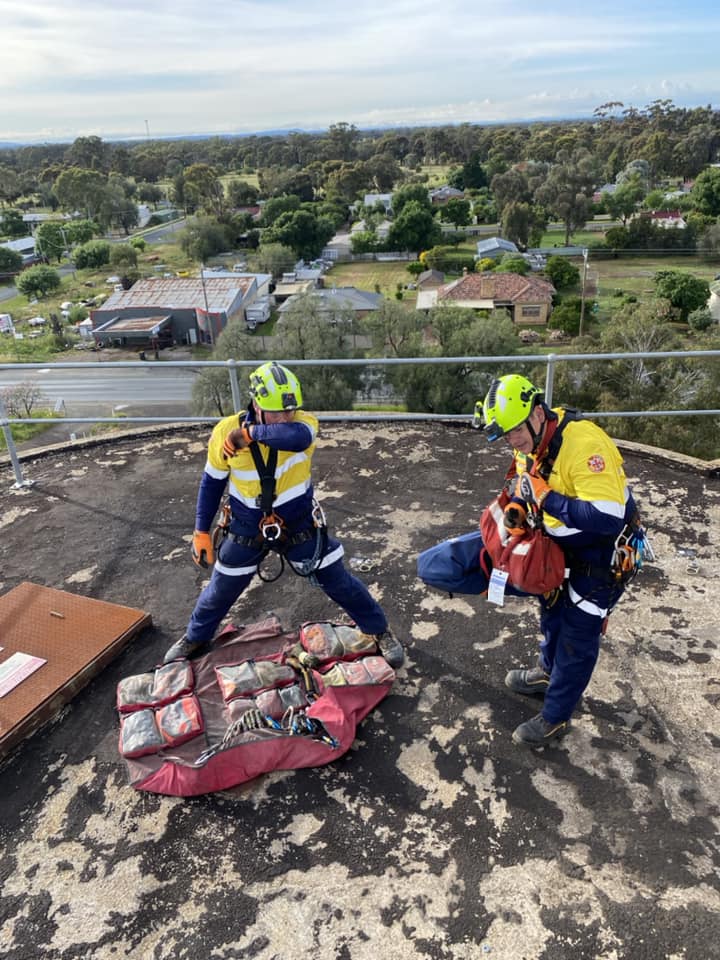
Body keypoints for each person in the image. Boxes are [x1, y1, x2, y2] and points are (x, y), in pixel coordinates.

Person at [163, 361, 403, 668]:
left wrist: (249, 434)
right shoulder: (224, 432)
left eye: (290, 411)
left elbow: (296, 438)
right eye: (278, 411)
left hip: (298, 525)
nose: (286, 417)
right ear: (258, 405)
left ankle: (379, 630)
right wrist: (200, 531)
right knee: (219, 591)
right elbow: (211, 483)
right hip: (246, 528)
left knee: (339, 581)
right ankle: (195, 636)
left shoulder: (303, 424)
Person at [479, 373, 641, 747]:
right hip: (560, 548)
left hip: (603, 558)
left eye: (515, 432)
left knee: (577, 637)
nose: (512, 442)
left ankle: (556, 716)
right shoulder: (529, 444)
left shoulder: (584, 444)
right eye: (505, 436)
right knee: (551, 610)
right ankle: (547, 673)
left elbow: (605, 518)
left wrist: (545, 496)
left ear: (538, 413)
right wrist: (517, 513)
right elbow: (525, 484)